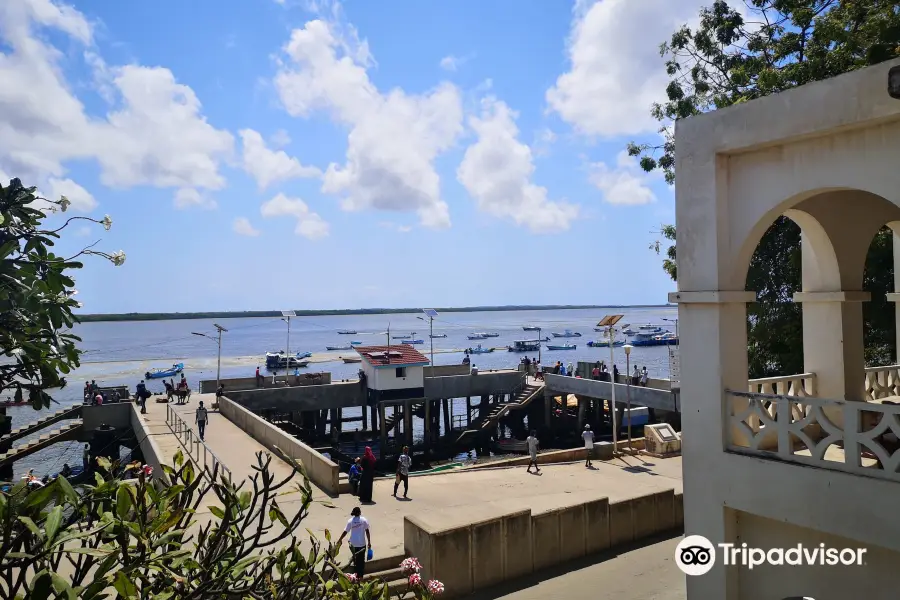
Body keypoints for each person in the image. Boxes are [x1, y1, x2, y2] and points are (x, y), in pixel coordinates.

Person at [335, 507, 372, 580]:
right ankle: (360, 577)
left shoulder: (350, 521)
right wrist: (369, 542)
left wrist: (339, 540)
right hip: (362, 544)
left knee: (355, 559)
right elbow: (367, 531)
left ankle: (356, 575)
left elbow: (345, 531)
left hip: (353, 544)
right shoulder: (364, 520)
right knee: (361, 561)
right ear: (359, 513)